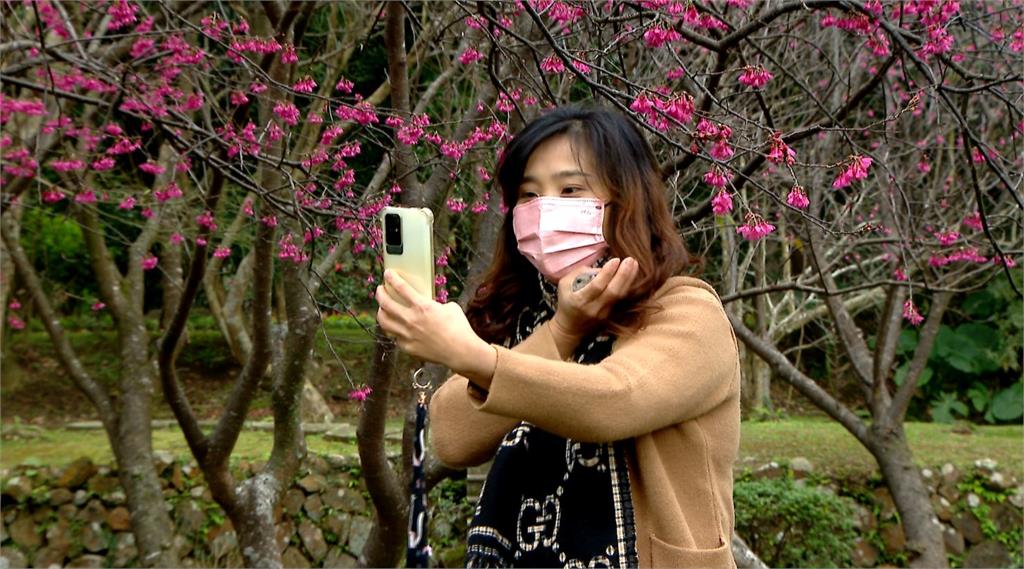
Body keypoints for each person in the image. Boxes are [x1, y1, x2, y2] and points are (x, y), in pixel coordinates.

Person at [375, 105, 741, 568]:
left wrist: (476, 359)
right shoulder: (529, 319)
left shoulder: (688, 312)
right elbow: (450, 437)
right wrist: (563, 331)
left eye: (571, 189)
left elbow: (616, 399)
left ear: (627, 199)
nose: (545, 210)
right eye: (528, 195)